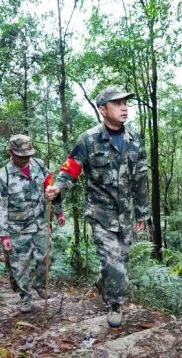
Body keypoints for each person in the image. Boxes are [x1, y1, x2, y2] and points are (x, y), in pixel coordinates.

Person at [46, 87, 149, 328]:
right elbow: (70, 169)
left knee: (120, 260)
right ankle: (115, 304)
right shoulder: (88, 139)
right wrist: (58, 187)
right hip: (101, 214)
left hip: (125, 215)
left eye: (125, 103)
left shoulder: (135, 140)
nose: (124, 108)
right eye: (117, 104)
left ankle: (103, 282)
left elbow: (141, 180)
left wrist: (142, 212)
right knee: (114, 262)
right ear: (103, 110)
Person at [0, 134, 65, 313]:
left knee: (47, 256)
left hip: (40, 221)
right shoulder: (3, 176)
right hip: (17, 228)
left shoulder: (39, 165)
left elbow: (51, 188)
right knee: (20, 266)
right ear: (11, 152)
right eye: (21, 156)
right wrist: (4, 236)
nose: (25, 159)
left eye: (28, 155)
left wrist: (58, 212)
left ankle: (40, 284)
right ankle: (25, 297)